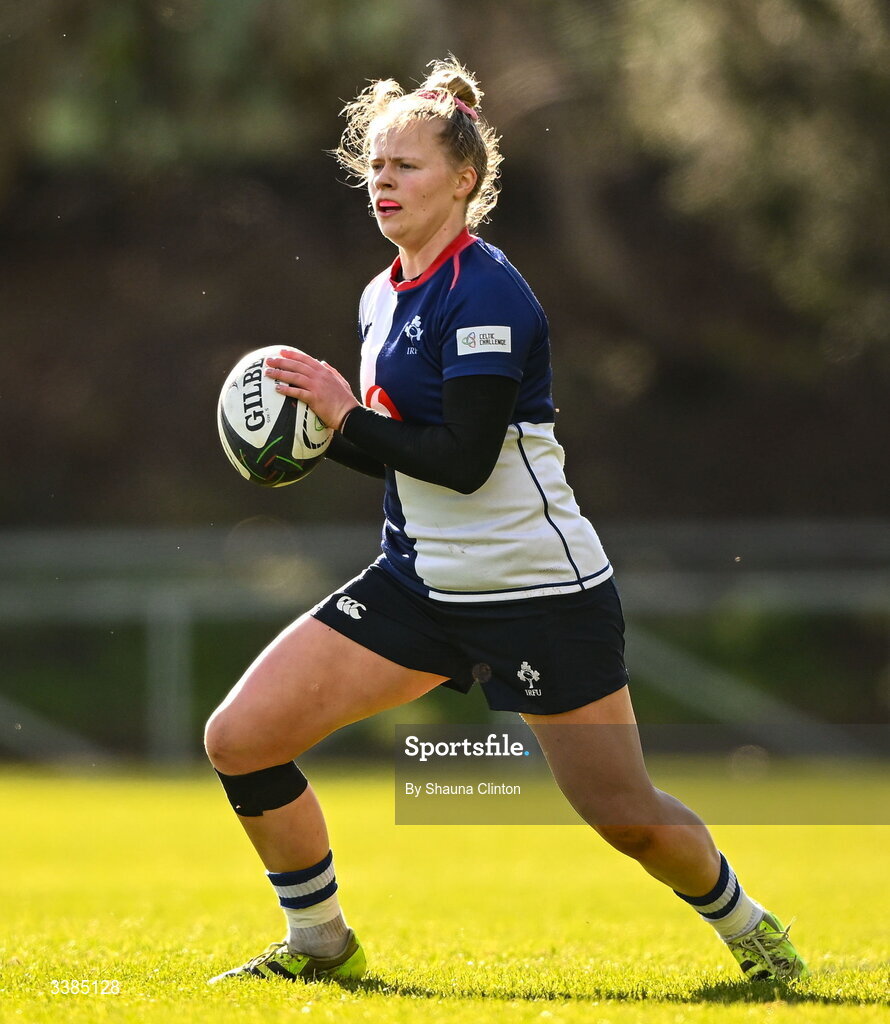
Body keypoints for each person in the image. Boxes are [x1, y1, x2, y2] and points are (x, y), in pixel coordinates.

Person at [204, 58, 807, 986]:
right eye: (375, 164)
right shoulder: (380, 295)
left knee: (626, 817)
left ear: (463, 180)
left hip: (538, 592)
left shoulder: (487, 293)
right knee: (240, 738)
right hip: (418, 586)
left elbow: (464, 457)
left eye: (405, 165)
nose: (383, 181)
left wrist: (339, 409)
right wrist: (315, 435)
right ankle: (319, 939)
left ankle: (751, 928)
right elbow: (398, 452)